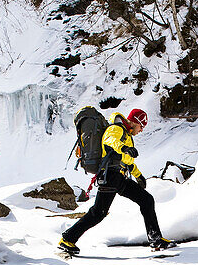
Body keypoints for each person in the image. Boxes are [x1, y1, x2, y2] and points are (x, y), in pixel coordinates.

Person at [58, 108, 175, 255]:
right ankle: (67, 239)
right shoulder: (116, 128)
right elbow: (109, 140)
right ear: (134, 122)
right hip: (110, 177)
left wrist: (138, 175)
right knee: (98, 213)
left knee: (146, 200)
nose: (141, 130)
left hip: (119, 178)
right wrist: (124, 147)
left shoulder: (125, 134)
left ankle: (156, 239)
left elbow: (126, 160)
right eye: (141, 126)